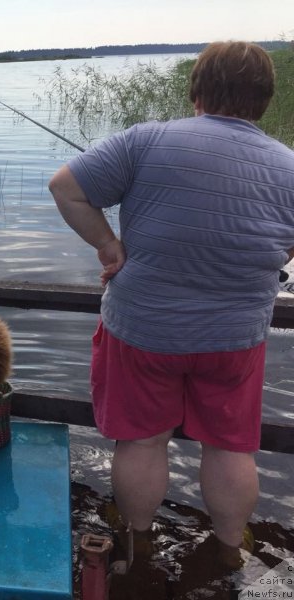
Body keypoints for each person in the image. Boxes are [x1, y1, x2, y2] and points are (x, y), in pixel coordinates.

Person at [48, 41, 294, 570]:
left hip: (142, 331)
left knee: (141, 442)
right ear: (265, 100)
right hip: (235, 340)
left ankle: (137, 545)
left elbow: (65, 188)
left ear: (196, 92)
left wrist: (109, 247)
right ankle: (230, 550)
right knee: (231, 447)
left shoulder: (146, 139)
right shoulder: (288, 165)